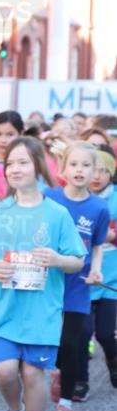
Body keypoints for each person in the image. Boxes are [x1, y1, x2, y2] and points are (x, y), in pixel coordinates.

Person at [0, 137, 86, 411]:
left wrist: (56, 259)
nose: (15, 169)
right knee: (5, 372)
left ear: (38, 165)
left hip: (43, 313)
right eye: (10, 164)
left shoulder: (57, 213)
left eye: (22, 162)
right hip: (7, 310)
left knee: (34, 374)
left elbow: (77, 259)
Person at [43, 143, 109, 411]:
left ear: (95, 172)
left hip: (78, 285)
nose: (80, 170)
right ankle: (57, 371)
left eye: (86, 166)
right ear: (62, 169)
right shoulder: (49, 199)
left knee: (73, 342)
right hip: (46, 283)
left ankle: (65, 405)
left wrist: (95, 269)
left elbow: (97, 246)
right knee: (46, 342)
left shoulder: (99, 207)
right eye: (74, 164)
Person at [76, 147, 117, 394]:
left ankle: (113, 360)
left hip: (111, 278)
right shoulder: (76, 198)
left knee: (104, 333)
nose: (98, 176)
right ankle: (81, 381)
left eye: (104, 170)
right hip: (81, 277)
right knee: (82, 334)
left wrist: (111, 236)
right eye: (95, 170)